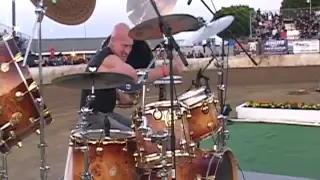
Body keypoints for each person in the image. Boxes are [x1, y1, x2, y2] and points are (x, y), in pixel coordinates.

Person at [80, 23, 184, 131]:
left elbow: (102, 85)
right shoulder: (109, 58)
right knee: (134, 137)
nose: (127, 51)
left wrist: (118, 96)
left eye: (130, 46)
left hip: (105, 115)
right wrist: (168, 70)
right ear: (113, 41)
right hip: (93, 119)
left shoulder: (108, 58)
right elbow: (135, 77)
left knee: (139, 130)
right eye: (124, 45)